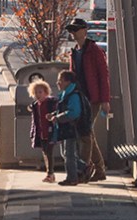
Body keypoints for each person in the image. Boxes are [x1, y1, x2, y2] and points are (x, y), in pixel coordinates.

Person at [65, 17, 110, 182]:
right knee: (88, 133)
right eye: (71, 30)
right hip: (80, 99)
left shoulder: (95, 50)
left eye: (75, 30)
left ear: (84, 31)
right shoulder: (74, 51)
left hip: (93, 99)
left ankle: (83, 168)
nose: (72, 33)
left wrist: (105, 100)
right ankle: (99, 169)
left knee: (85, 134)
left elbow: (103, 76)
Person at [51, 70, 92, 186]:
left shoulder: (73, 95)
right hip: (67, 128)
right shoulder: (67, 94)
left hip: (71, 128)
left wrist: (58, 118)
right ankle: (85, 167)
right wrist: (54, 115)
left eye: (60, 80)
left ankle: (72, 178)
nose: (58, 83)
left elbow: (74, 113)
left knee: (69, 153)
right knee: (65, 153)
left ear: (68, 82)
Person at [27, 78, 58, 183]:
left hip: (50, 132)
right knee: (45, 153)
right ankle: (50, 173)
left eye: (40, 92)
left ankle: (50, 174)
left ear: (46, 92)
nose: (38, 94)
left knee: (49, 153)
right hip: (41, 133)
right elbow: (34, 121)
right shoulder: (35, 105)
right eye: (36, 92)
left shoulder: (51, 102)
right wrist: (33, 133)